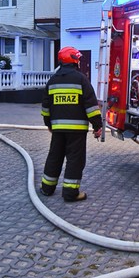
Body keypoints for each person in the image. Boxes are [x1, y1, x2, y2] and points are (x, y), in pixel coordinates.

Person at [40, 47, 103, 202]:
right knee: (75, 160)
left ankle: (47, 188)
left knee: (54, 157)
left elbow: (45, 108)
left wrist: (48, 124)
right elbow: (91, 106)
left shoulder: (52, 80)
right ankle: (70, 193)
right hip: (76, 131)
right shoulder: (81, 79)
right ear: (74, 60)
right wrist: (97, 126)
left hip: (57, 129)